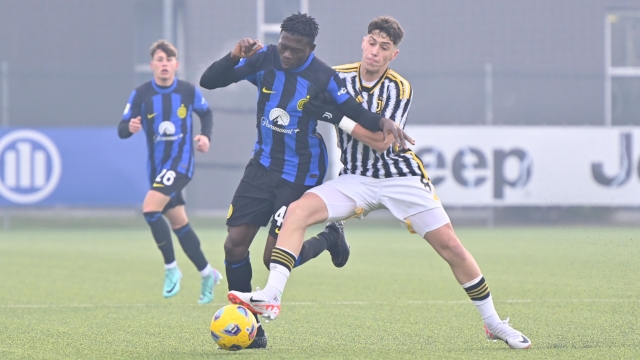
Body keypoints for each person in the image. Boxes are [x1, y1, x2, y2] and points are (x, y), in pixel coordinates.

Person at [228, 16, 532, 350]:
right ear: (363, 43)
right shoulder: (335, 75)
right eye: (372, 44)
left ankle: (493, 324)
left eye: (384, 48)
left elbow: (381, 141)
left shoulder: (399, 88)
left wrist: (332, 114)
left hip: (400, 178)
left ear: (393, 55)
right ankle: (271, 296)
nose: (375, 52)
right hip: (355, 179)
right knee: (296, 212)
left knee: (451, 247)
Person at [199, 13, 410, 349]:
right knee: (234, 245)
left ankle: (329, 238)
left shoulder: (323, 76)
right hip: (261, 167)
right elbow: (210, 82)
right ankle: (252, 330)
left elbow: (355, 112)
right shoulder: (265, 58)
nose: (286, 55)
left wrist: (383, 121)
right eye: (283, 46)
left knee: (272, 259)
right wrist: (234, 56)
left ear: (310, 48)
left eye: (294, 50)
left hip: (300, 173)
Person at [118, 40, 222, 305]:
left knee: (150, 210)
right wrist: (129, 127)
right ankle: (207, 273)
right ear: (152, 65)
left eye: (169, 59)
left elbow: (206, 114)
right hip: (157, 168)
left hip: (181, 164)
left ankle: (171, 268)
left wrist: (205, 137)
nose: (164, 64)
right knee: (179, 224)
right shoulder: (141, 94)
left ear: (176, 64)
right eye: (159, 59)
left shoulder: (187, 91)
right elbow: (121, 128)